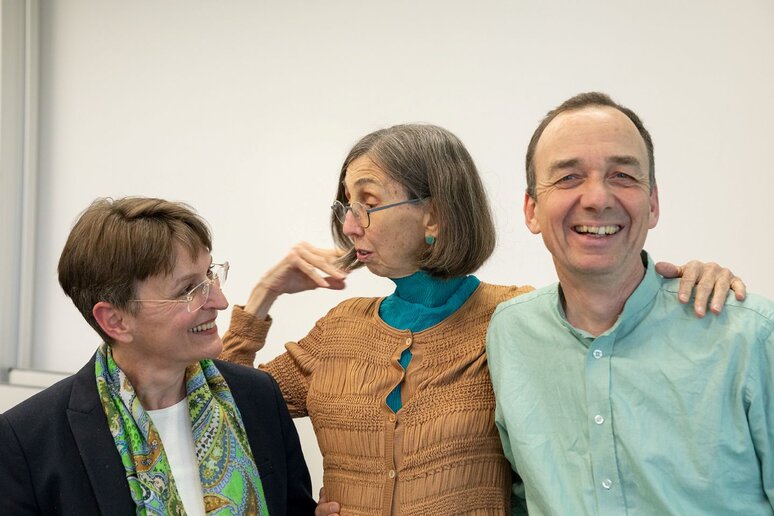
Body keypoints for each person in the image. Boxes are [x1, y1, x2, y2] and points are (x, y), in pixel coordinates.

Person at [220, 124, 744, 515]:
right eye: (345, 207)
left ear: (435, 216)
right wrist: (263, 298)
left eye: (368, 203)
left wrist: (686, 281)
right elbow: (218, 412)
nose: (350, 225)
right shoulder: (340, 330)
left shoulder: (519, 321)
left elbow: (622, 372)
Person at [487, 92, 773, 514]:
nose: (597, 199)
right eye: (568, 177)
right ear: (531, 210)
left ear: (653, 203)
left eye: (622, 175)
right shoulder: (509, 333)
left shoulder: (748, 337)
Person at [0, 197, 316, 515]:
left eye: (210, 275)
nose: (219, 301)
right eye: (187, 290)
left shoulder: (257, 397)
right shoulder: (27, 441)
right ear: (115, 321)